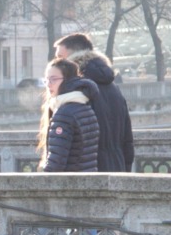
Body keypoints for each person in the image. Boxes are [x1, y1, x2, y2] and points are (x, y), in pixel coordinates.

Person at [55, 33, 133, 172]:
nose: (57, 63)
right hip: (117, 167)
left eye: (61, 57)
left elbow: (67, 141)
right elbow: (127, 138)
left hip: (88, 172)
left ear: (73, 58)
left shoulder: (77, 88)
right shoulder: (114, 88)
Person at [38, 58, 100, 172]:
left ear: (68, 81)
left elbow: (56, 162)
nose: (49, 85)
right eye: (46, 80)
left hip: (70, 184)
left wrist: (43, 182)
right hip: (88, 180)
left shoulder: (64, 114)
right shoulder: (85, 107)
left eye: (54, 79)